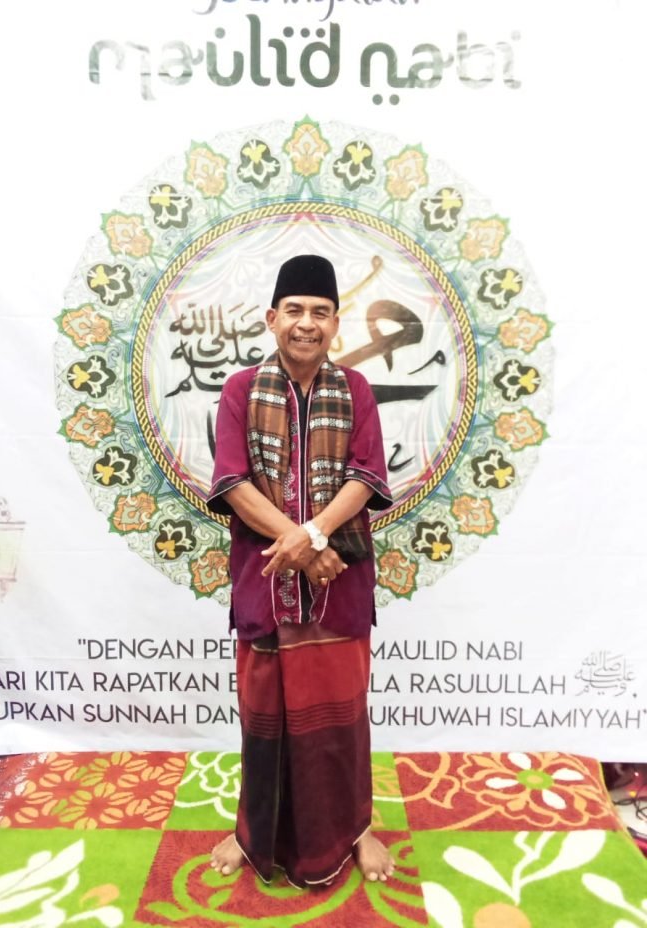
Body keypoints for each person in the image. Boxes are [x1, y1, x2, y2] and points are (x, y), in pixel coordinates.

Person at [206, 254, 394, 888]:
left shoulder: (356, 390)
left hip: (340, 587)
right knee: (263, 721)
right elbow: (232, 483)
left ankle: (356, 829)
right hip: (265, 584)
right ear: (271, 319)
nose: (306, 323)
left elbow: (366, 477)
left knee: (341, 721)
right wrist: (307, 545)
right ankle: (251, 831)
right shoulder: (240, 390)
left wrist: (312, 536)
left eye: (320, 312)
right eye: (294, 311)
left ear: (336, 323)